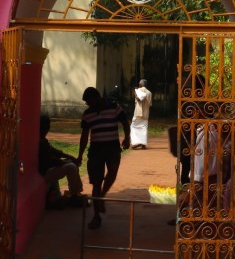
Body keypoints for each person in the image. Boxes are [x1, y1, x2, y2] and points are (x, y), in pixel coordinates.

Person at [76, 86, 130, 229]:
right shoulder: (87, 114)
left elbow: (124, 121)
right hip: (96, 150)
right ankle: (96, 216)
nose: (89, 104)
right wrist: (80, 155)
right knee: (96, 183)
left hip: (112, 147)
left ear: (97, 97)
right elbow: (84, 136)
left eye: (90, 101)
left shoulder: (113, 106)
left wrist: (128, 137)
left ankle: (102, 196)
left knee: (112, 172)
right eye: (87, 103)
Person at [39, 114, 84, 208]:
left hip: (46, 171)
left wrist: (69, 157)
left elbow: (54, 152)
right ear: (47, 127)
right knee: (71, 167)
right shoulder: (41, 141)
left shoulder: (41, 139)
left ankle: (74, 194)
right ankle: (75, 196)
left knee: (70, 164)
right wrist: (66, 161)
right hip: (43, 174)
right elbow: (49, 160)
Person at [131, 79, 152, 149]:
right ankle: (143, 143)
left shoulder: (138, 91)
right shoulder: (149, 93)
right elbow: (150, 104)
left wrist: (135, 93)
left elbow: (138, 100)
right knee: (144, 128)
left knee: (134, 127)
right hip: (146, 113)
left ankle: (136, 142)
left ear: (140, 85)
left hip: (138, 113)